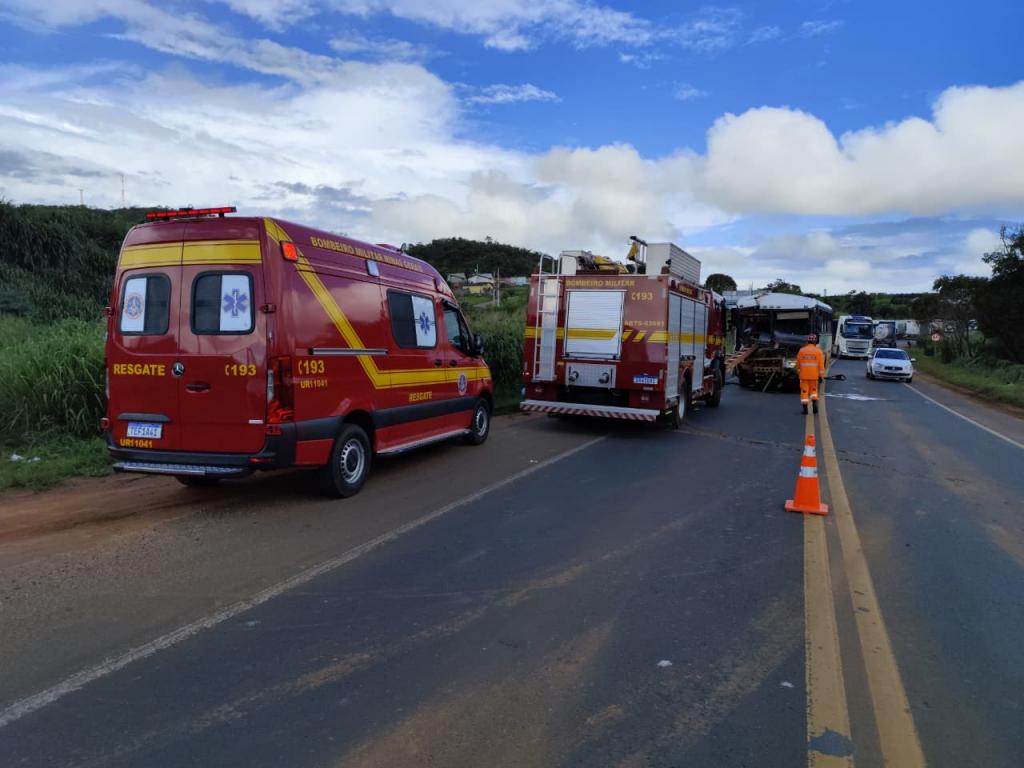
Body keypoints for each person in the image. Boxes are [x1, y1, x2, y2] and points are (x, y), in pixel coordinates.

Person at [796, 333, 826, 414]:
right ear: (815, 341)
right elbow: (821, 366)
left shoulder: (801, 351)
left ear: (807, 341)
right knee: (814, 391)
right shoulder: (818, 352)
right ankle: (814, 406)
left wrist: (798, 373)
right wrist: (821, 376)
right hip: (814, 377)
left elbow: (798, 364)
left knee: (804, 392)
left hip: (804, 376)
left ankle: (805, 410)